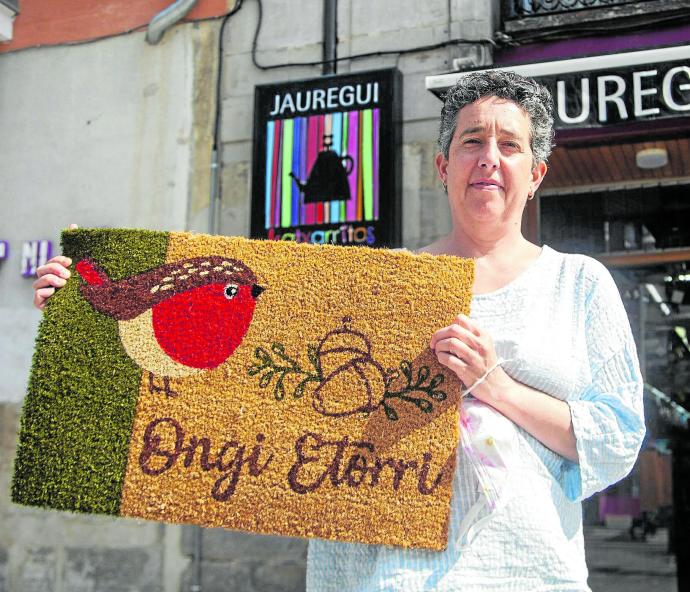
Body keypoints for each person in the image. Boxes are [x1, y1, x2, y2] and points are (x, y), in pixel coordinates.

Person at [33, 71, 645, 591]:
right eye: (471, 141)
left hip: (527, 575)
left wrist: (496, 385)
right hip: (387, 578)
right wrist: (83, 316)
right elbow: (228, 368)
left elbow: (615, 439)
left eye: (510, 144)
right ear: (442, 165)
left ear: (536, 172)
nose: (489, 156)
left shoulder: (579, 284)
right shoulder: (372, 286)